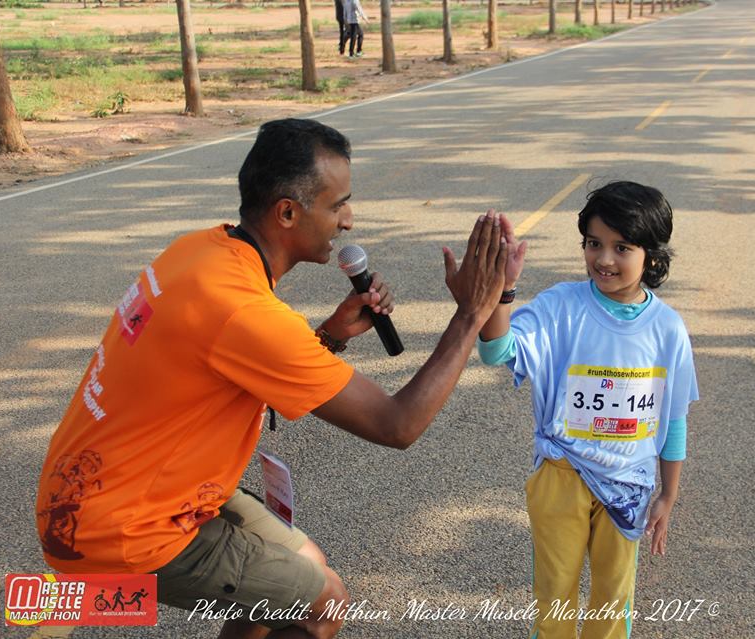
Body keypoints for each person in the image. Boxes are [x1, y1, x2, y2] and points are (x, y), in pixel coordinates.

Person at [35, 118, 508, 639]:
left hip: (102, 489)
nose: (348, 222)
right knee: (322, 605)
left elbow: (230, 364)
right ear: (287, 212)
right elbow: (398, 425)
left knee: (304, 565)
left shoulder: (198, 249)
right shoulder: (246, 313)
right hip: (120, 527)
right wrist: (472, 313)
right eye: (337, 205)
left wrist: (329, 336)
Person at [478, 181, 699, 639]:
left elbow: (673, 417)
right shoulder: (561, 307)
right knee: (554, 597)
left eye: (622, 248)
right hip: (561, 476)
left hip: (629, 486)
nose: (604, 259)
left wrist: (669, 494)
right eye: (593, 243)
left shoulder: (668, 329)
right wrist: (504, 290)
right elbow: (497, 350)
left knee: (613, 603)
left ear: (652, 256)